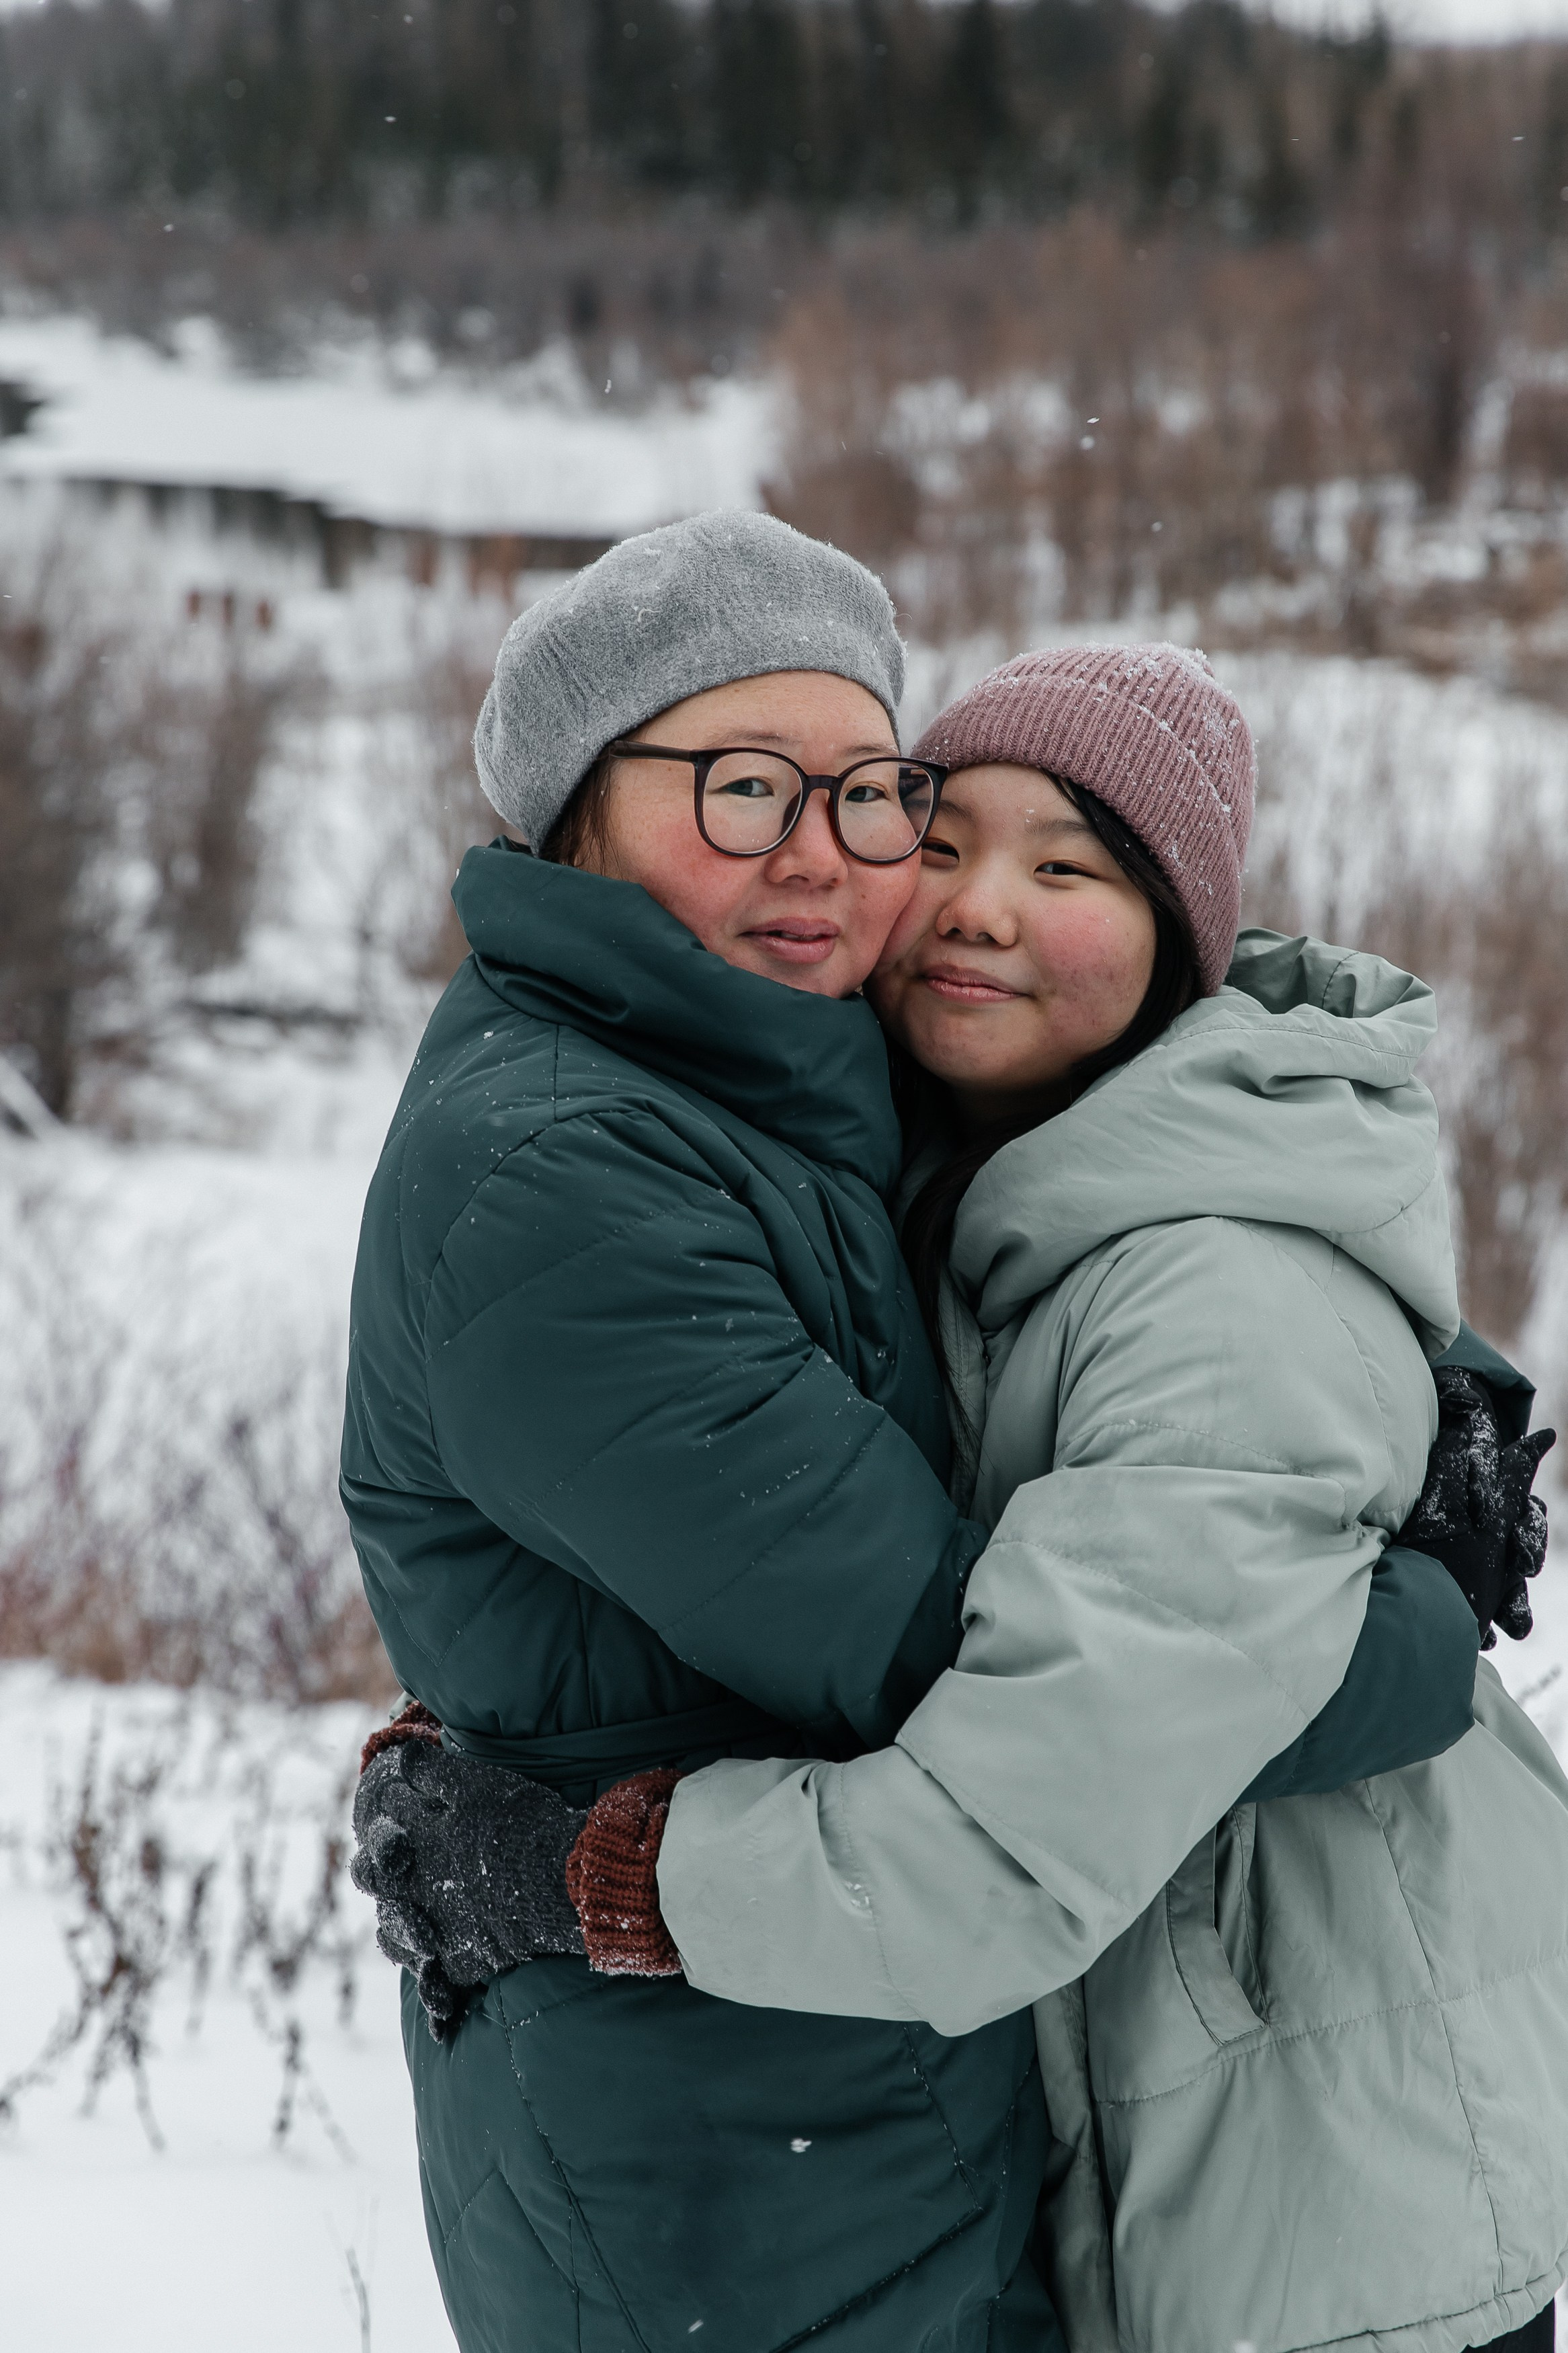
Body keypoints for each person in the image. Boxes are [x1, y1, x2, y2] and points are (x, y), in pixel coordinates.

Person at [343, 526, 1526, 2353]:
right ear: (577, 813)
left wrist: (1439, 1385)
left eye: (864, 790)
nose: (829, 852)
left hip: (991, 2123)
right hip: (733, 2165)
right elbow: (985, 1664)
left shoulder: (781, 1071)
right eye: (741, 787)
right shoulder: (573, 1170)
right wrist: (1420, 1623)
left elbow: (1215, 1216)